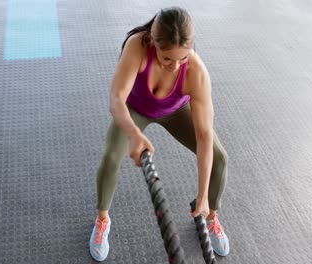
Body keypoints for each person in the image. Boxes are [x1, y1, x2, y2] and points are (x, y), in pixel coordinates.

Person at [89, 7, 230, 261]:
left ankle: (211, 215)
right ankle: (102, 219)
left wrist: (202, 195)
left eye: (183, 58)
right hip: (135, 109)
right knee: (111, 157)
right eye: (167, 59)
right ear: (154, 43)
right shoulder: (138, 46)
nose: (175, 66)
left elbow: (204, 135)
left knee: (219, 158)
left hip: (176, 112)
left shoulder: (197, 72)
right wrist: (133, 133)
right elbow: (116, 100)